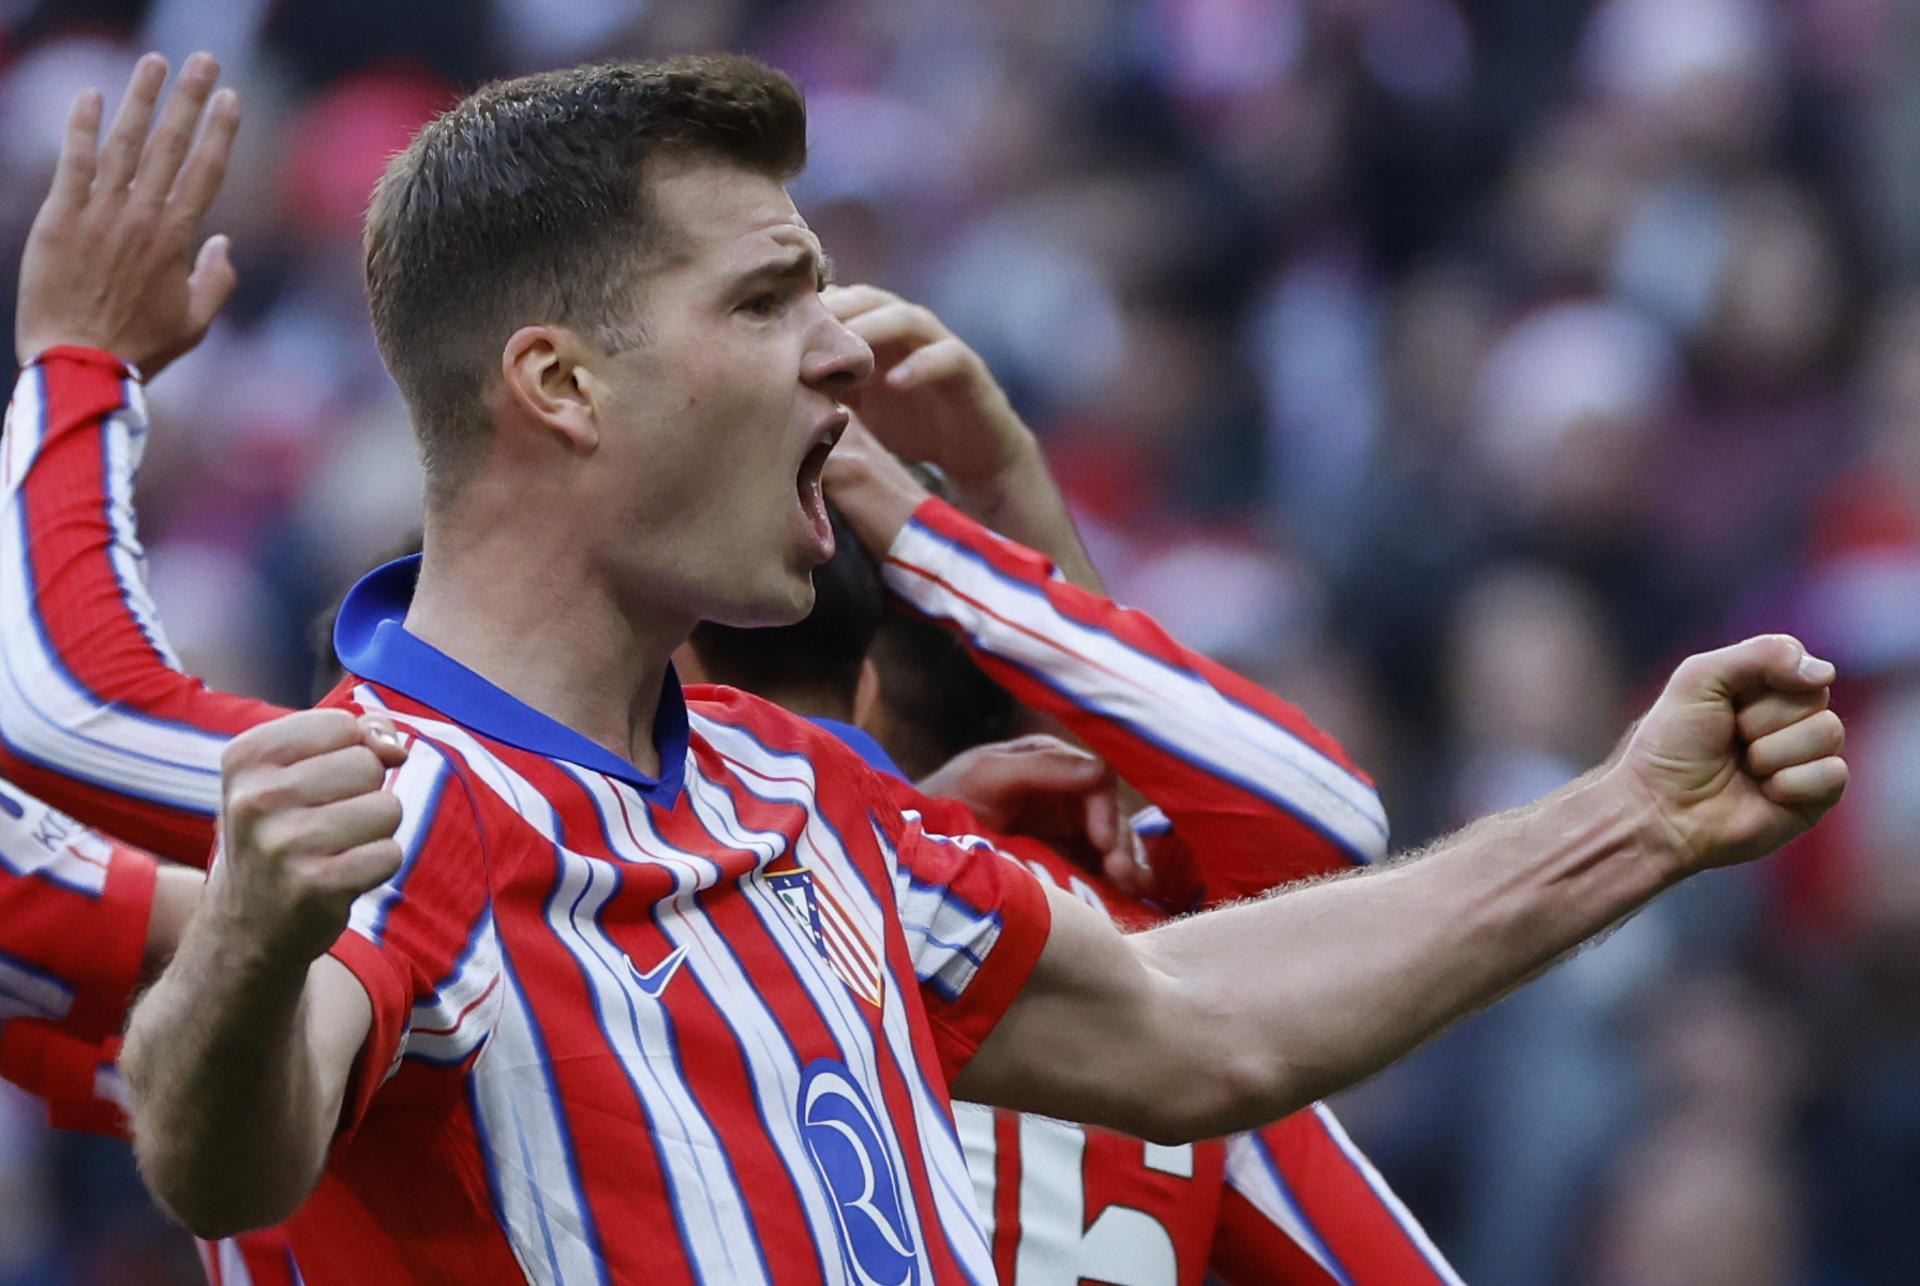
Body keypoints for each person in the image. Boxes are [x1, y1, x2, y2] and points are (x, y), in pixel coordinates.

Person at [19, 51, 1848, 1284]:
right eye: (765, 299)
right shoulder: (397, 807)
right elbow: (223, 1153)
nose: (838, 352)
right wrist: (247, 944)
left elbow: (1198, 1019)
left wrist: (1636, 815)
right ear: (560, 385)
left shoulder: (808, 798)